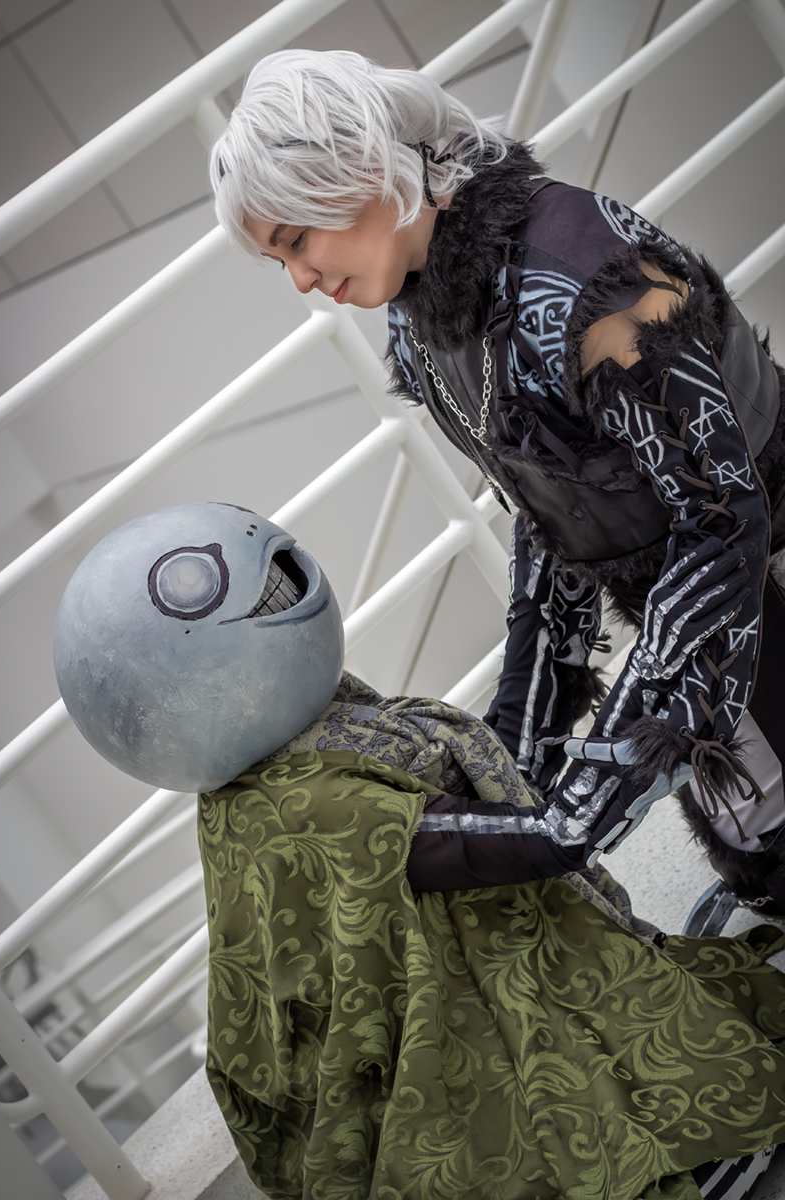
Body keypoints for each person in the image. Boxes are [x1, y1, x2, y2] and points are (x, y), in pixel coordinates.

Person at [55, 502, 785, 1200]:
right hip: (460, 1060)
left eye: (283, 578)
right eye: (270, 593)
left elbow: (496, 782)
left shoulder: (276, 768)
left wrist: (542, 602)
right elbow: (548, 836)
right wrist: (653, 668)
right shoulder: (312, 808)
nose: (291, 591)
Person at [209, 48, 785, 912]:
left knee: (763, 841)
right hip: (695, 624)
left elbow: (725, 521)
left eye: (296, 240)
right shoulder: (420, 329)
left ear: (359, 167)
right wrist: (514, 762)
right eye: (277, 259)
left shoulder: (591, 278)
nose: (301, 281)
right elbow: (552, 519)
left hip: (757, 584)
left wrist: (583, 794)